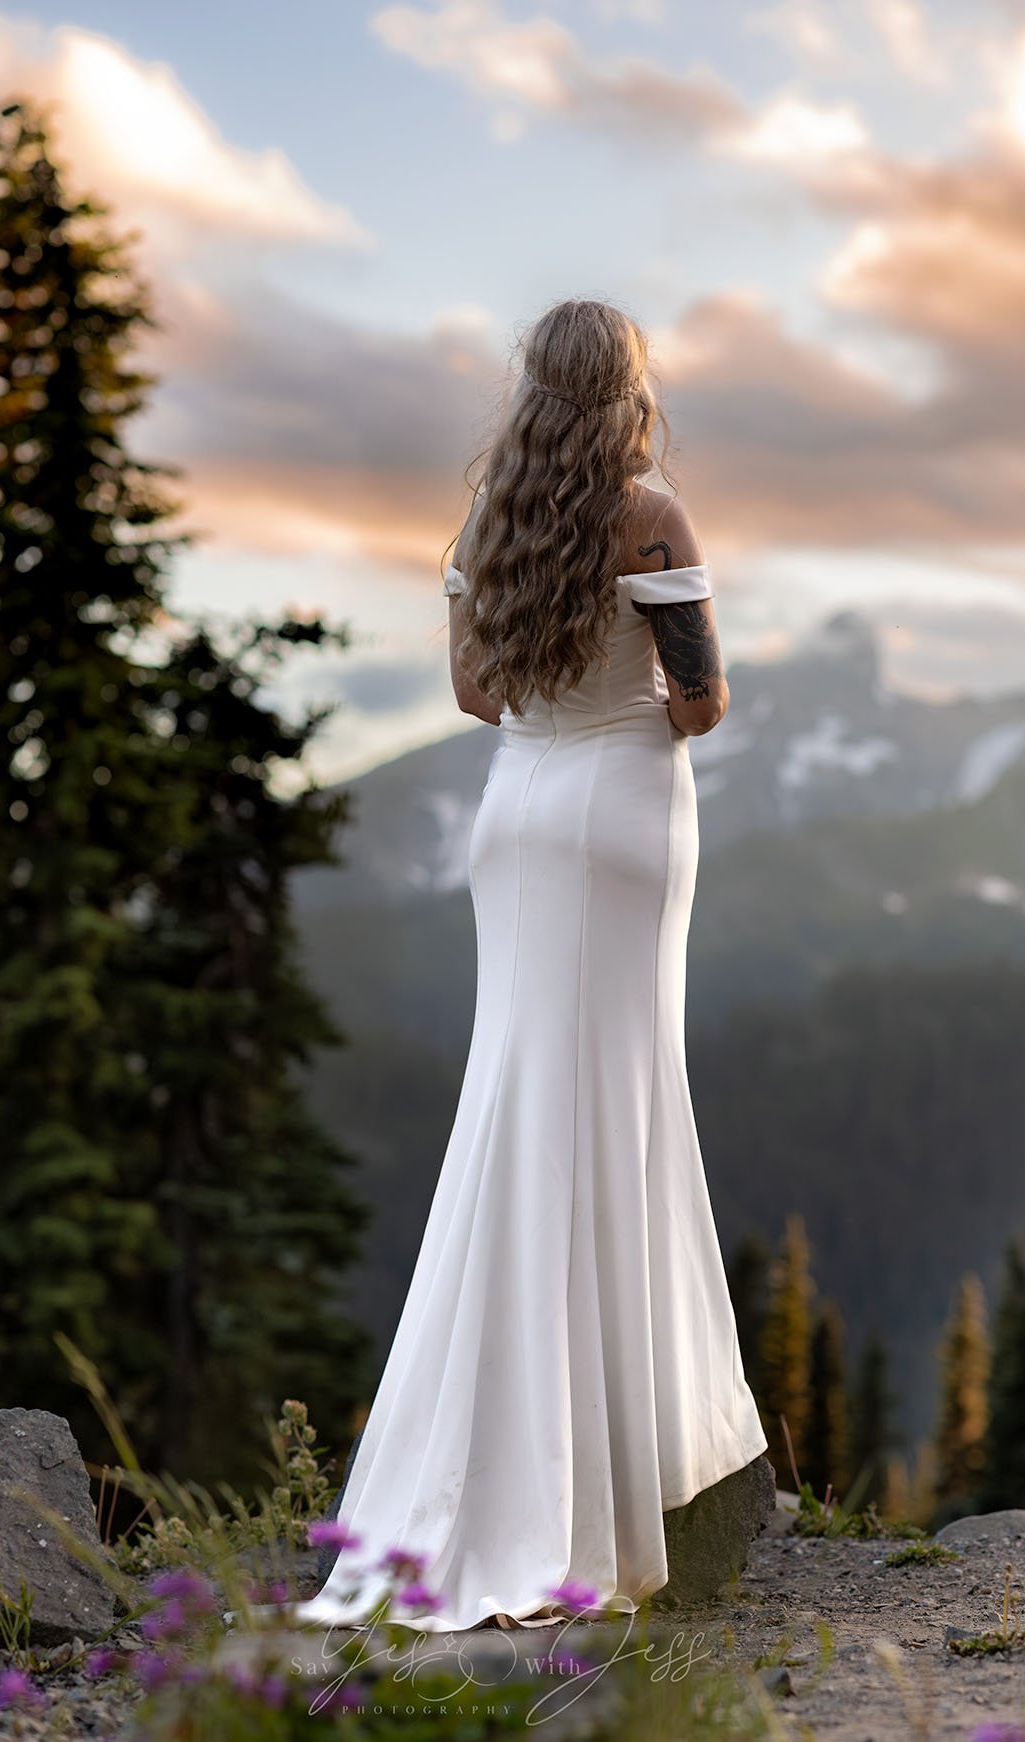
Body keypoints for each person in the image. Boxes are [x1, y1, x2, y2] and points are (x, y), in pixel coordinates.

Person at [262, 296, 768, 1634]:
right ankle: (610, 1489)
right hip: (624, 818)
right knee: (617, 1115)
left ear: (532, 386)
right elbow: (703, 704)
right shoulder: (653, 515)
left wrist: (558, 688)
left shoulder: (490, 516)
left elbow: (477, 698)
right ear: (630, 390)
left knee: (522, 1110)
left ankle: (489, 1475)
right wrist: (633, 702)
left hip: (519, 814)